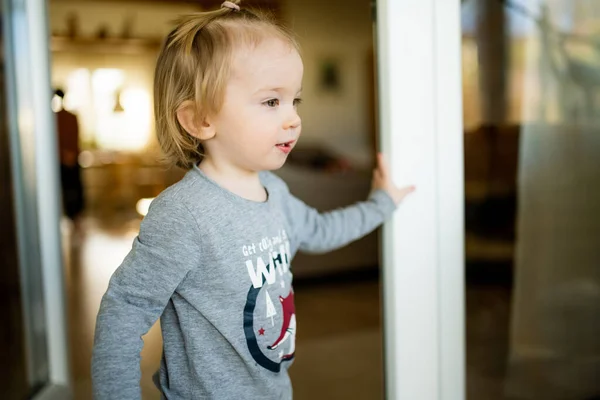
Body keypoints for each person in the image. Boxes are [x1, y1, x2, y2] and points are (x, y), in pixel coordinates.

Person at [91, 1, 415, 399]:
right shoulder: (183, 214)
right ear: (199, 120)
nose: (293, 118)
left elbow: (322, 230)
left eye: (295, 100)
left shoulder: (274, 191)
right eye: (271, 101)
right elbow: (123, 313)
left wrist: (381, 203)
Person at [54, 88, 84, 224]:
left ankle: (75, 218)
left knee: (73, 191)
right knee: (68, 191)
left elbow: (75, 138)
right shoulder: (56, 118)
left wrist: (69, 155)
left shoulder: (67, 117)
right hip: (64, 160)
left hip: (69, 160)